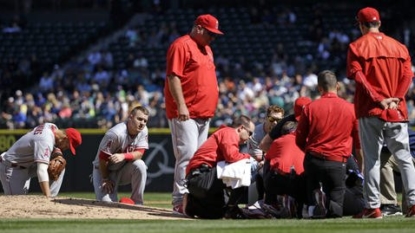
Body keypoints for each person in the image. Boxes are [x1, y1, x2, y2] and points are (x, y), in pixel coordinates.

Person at [346, 6, 415, 218]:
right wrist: (397, 98)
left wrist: (379, 99)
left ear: (361, 24)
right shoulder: (399, 47)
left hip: (371, 109)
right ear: (379, 23)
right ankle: (413, 202)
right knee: (404, 157)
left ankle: (373, 206)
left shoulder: (356, 46)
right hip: (397, 109)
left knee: (372, 158)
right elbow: (407, 76)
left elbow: (359, 77)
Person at [164, 14, 224, 214]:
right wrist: (181, 105)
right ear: (198, 28)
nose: (212, 38)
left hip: (203, 113)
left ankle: (195, 200)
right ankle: (179, 200)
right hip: (186, 112)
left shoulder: (207, 49)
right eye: (210, 33)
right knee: (187, 156)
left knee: (199, 161)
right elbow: (173, 76)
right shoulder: (181, 45)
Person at [296, 70, 361, 219]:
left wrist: (309, 152)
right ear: (338, 86)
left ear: (319, 88)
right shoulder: (351, 109)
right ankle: (328, 204)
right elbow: (358, 143)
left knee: (312, 189)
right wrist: (361, 165)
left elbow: (299, 139)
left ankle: (315, 204)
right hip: (337, 162)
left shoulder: (310, 108)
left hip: (313, 160)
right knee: (337, 208)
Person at [184, 115, 255, 219]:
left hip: (202, 180)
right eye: (250, 133)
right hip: (200, 176)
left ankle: (192, 204)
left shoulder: (227, 133)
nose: (250, 137)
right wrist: (250, 158)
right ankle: (232, 208)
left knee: (219, 213)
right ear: (241, 128)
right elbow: (232, 156)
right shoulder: (229, 132)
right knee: (243, 165)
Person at [0, 123, 82, 197]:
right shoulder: (45, 140)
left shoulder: (51, 126)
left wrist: (58, 155)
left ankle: (52, 198)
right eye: (68, 146)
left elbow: (54, 145)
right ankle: (49, 198)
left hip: (27, 165)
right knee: (17, 203)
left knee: (60, 165)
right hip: (12, 168)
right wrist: (47, 195)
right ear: (64, 138)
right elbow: (41, 170)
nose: (66, 148)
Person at [92, 106, 149, 205]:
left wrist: (123, 156)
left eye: (145, 121)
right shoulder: (116, 133)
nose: (142, 123)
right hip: (104, 170)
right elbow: (102, 159)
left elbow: (140, 153)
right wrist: (106, 179)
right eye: (139, 119)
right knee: (108, 205)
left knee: (140, 165)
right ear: (130, 117)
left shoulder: (143, 131)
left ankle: (138, 202)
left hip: (123, 168)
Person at [262, 121, 306, 219]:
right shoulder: (304, 142)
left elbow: (269, 160)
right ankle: (297, 207)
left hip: (278, 180)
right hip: (300, 181)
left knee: (268, 162)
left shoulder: (277, 141)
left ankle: (270, 202)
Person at [247, 105, 284, 201]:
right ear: (266, 118)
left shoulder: (284, 131)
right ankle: (260, 201)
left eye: (279, 120)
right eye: (272, 119)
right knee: (260, 169)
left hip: (278, 164)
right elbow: (258, 158)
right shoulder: (255, 132)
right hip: (257, 166)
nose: (275, 123)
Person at [380, 128, 415, 216]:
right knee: (408, 209)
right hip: (410, 157)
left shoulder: (386, 129)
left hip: (411, 159)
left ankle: (390, 204)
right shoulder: (395, 125)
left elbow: (384, 150)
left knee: (382, 158)